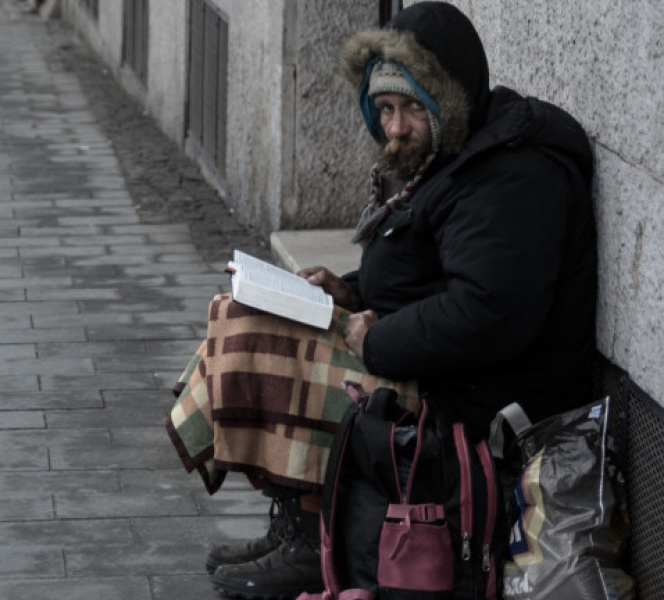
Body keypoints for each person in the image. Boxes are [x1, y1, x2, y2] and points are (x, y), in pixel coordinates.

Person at [167, 2, 597, 598]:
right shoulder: (456, 155)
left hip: (481, 405)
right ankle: (301, 518)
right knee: (240, 312)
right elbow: (428, 273)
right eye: (386, 109)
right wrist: (352, 290)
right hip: (440, 367)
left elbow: (487, 313)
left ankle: (313, 539)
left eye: (413, 108)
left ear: (450, 99)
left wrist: (378, 338)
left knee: (257, 352)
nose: (395, 128)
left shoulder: (511, 177)